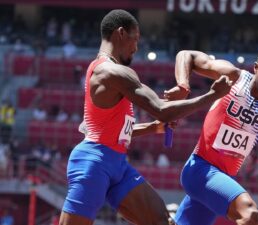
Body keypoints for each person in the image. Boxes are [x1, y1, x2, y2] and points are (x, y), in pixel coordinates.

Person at [59, 9, 233, 225]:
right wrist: (212, 95)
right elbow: (162, 109)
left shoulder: (106, 72)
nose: (136, 47)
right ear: (121, 33)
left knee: (162, 221)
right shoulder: (113, 72)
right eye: (136, 39)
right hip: (93, 163)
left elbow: (108, 129)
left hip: (117, 164)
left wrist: (154, 128)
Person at [164, 47, 258, 225]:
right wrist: (183, 85)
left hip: (222, 179)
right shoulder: (234, 77)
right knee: (250, 214)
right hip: (200, 168)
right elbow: (186, 55)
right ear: (256, 67)